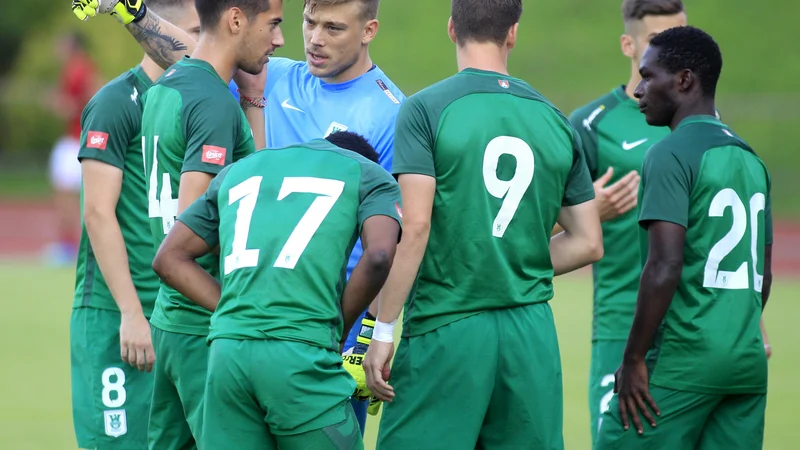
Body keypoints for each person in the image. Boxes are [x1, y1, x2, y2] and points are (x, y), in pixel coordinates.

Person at [362, 0, 604, 448]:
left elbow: (415, 227)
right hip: (529, 332)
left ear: (452, 28)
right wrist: (513, 264)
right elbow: (589, 242)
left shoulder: (424, 109)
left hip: (446, 325)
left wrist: (384, 330)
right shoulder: (555, 119)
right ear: (512, 33)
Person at [151, 131, 402, 449]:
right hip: (299, 352)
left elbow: (168, 258)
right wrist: (338, 327)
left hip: (227, 354)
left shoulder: (239, 169)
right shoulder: (367, 171)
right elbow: (380, 255)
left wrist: (238, 310)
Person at [595, 25, 773, 450]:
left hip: (683, 362)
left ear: (684, 80)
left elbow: (664, 265)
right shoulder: (751, 159)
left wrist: (634, 358)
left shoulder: (669, 153)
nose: (637, 90)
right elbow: (762, 277)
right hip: (746, 365)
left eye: (648, 76)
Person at [140, 0, 283, 447]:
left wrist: (252, 100)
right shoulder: (213, 103)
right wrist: (243, 317)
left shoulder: (170, 84)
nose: (279, 40)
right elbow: (191, 232)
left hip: (171, 319)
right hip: (205, 324)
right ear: (237, 19)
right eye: (273, 24)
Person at [263, 0, 404, 429]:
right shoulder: (277, 77)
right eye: (309, 22)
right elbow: (197, 52)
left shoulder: (393, 113)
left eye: (334, 28)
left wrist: (371, 333)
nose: (315, 39)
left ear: (369, 31)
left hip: (335, 326)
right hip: (263, 309)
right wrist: (134, 14)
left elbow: (397, 236)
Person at [68, 1, 201, 448]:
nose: (199, 44)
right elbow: (98, 213)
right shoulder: (116, 102)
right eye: (194, 30)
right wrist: (130, 313)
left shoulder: (201, 103)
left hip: (179, 317)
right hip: (120, 317)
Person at [566, 0, 685, 442]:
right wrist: (590, 211)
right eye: (658, 41)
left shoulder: (698, 123)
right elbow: (541, 227)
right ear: (628, 44)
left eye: (680, 38)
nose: (674, 53)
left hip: (695, 324)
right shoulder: (592, 125)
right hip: (621, 325)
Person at [45, 31, 100, 265]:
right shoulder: (80, 66)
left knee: (66, 195)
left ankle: (70, 247)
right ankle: (72, 245)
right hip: (75, 138)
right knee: (69, 195)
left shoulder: (77, 69)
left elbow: (89, 97)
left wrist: (57, 103)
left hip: (75, 139)